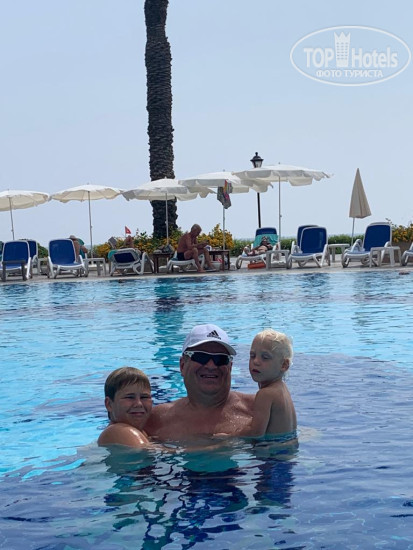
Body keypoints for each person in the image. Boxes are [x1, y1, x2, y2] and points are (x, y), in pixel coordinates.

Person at [145, 324, 254, 442]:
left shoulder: (259, 411)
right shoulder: (154, 421)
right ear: (182, 366)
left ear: (230, 367)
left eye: (220, 359)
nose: (211, 366)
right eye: (201, 357)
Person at [239, 329, 297, 438]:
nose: (256, 361)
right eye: (252, 355)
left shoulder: (265, 394)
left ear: (284, 365)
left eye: (265, 357)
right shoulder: (282, 389)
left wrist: (229, 435)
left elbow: (255, 433)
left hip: (271, 448)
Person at [97, 366, 153, 448]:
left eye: (144, 397)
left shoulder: (142, 432)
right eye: (130, 397)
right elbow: (152, 451)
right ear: (109, 404)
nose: (139, 403)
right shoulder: (117, 430)